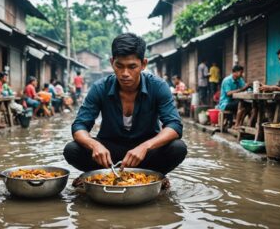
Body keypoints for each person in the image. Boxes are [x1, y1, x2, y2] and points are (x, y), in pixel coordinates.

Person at [63, 33, 187, 189]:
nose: (125, 73)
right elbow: (79, 126)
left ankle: (157, 175)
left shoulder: (158, 86)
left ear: (143, 64)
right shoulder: (100, 88)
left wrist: (146, 146)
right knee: (72, 149)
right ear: (111, 63)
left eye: (132, 66)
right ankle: (97, 174)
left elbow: (174, 126)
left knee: (178, 148)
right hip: (109, 151)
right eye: (119, 66)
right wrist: (94, 145)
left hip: (146, 153)